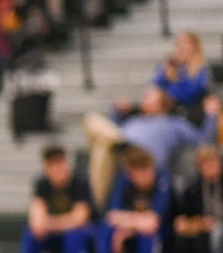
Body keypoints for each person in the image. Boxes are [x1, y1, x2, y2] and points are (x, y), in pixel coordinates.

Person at [83, 86, 221, 210]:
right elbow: (110, 127)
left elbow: (202, 139)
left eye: (149, 96)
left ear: (163, 104)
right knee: (93, 123)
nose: (144, 98)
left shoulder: (173, 123)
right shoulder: (135, 120)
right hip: (123, 156)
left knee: (104, 145)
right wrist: (118, 113)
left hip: (146, 162)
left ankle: (98, 208)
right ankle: (101, 210)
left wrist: (210, 114)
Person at [94, 146, 174, 253]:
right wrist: (127, 228)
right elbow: (112, 216)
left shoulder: (163, 179)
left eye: (145, 171)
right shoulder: (124, 181)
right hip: (130, 231)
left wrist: (127, 225)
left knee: (149, 235)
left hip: (163, 234)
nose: (142, 177)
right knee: (104, 231)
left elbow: (153, 222)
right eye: (137, 173)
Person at [19, 145, 94, 253]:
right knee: (31, 235)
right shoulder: (42, 184)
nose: (57, 169)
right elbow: (36, 215)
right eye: (52, 165)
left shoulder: (80, 183)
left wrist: (51, 223)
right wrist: (44, 223)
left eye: (60, 163)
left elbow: (79, 218)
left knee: (74, 237)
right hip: (53, 233)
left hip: (75, 233)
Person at [173, 145, 223, 253]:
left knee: (217, 236)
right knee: (207, 239)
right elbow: (181, 220)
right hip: (203, 232)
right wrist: (200, 223)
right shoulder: (193, 188)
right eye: (206, 164)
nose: (211, 168)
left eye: (213, 163)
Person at [152, 32, 213, 123]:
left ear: (195, 46)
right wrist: (165, 74)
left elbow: (192, 93)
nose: (183, 48)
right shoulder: (171, 63)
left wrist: (174, 82)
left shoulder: (202, 67)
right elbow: (156, 84)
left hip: (192, 109)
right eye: (180, 44)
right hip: (168, 107)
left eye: (186, 44)